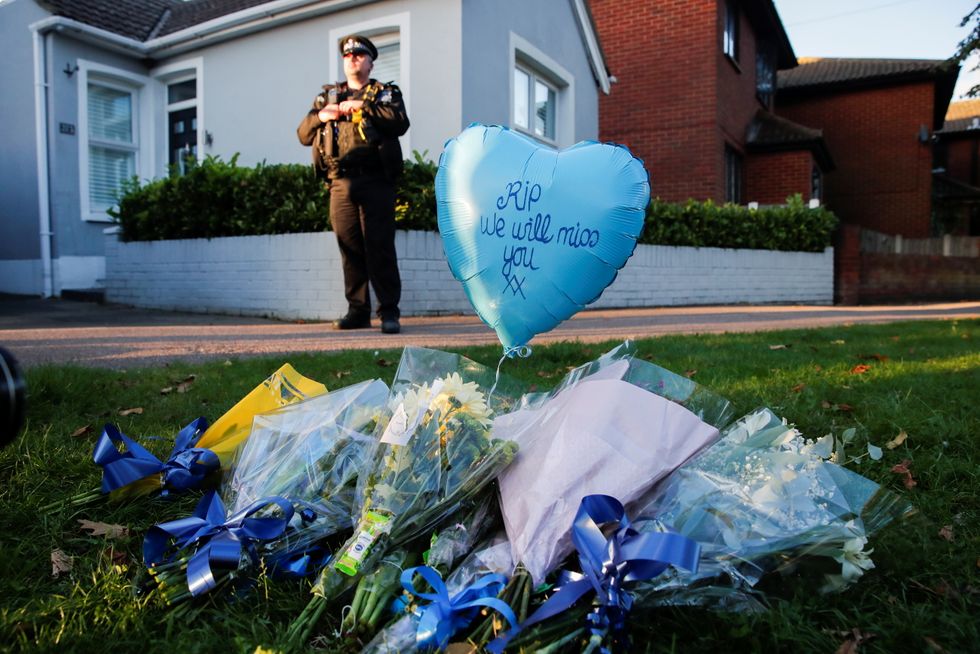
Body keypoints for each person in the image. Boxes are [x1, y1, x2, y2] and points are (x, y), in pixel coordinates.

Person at [297, 35, 410, 334]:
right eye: (348, 56)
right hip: (340, 182)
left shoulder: (384, 94)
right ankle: (358, 311)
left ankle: (389, 312)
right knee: (350, 248)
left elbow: (399, 122)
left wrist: (360, 107)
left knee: (380, 246)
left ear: (371, 62)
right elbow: (303, 133)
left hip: (376, 180)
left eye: (360, 55)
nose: (353, 59)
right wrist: (323, 116)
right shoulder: (327, 97)